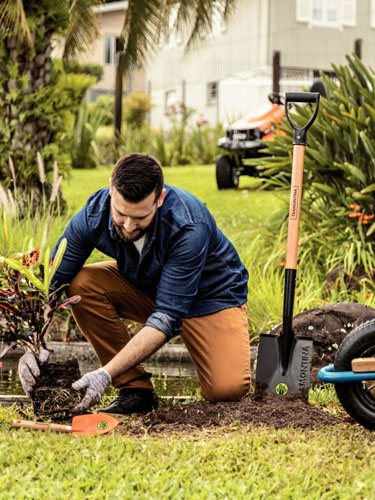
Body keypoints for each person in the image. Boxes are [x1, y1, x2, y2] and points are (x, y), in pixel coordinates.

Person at [18, 153, 250, 414]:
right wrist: (31, 344)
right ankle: (135, 390)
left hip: (211, 298)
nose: (128, 226)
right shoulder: (93, 214)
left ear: (159, 199)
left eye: (140, 218)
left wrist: (104, 374)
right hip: (148, 288)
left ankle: (123, 373)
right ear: (111, 189)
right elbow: (52, 282)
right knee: (80, 284)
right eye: (121, 214)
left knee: (227, 391)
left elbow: (168, 315)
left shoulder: (188, 226)